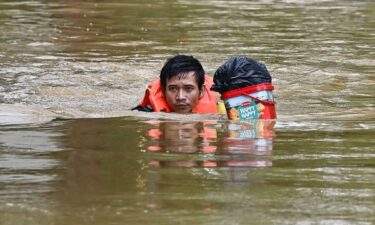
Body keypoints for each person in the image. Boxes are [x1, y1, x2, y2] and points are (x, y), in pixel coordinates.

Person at [132, 55, 219, 114]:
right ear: (163, 91)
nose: (180, 97)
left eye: (188, 88)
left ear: (201, 91)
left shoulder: (223, 112)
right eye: (173, 88)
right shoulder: (145, 113)